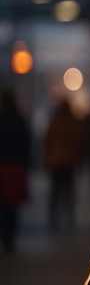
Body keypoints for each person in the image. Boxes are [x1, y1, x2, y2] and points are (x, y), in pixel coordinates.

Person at [44, 98, 87, 231]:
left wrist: (47, 158)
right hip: (70, 161)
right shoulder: (74, 123)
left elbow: (47, 141)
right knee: (68, 190)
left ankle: (53, 217)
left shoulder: (54, 122)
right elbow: (80, 142)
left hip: (55, 162)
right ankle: (69, 217)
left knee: (55, 191)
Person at [0, 89, 31, 253]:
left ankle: (4, 235)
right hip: (15, 167)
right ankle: (10, 238)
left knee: (2, 204)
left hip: (2, 166)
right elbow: (26, 144)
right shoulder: (19, 120)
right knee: (12, 205)